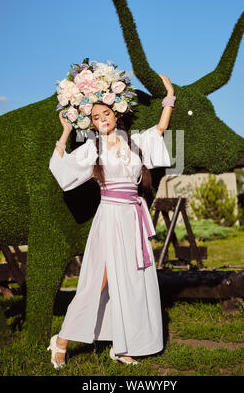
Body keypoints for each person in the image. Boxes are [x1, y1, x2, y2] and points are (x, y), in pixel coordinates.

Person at [47, 73, 176, 368]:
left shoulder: (136, 142)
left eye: (105, 113)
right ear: (91, 123)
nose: (101, 119)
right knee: (99, 283)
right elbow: (64, 171)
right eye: (95, 117)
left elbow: (162, 127)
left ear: (115, 114)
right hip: (109, 219)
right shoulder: (94, 148)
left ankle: (122, 346)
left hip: (132, 220)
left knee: (131, 283)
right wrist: (66, 132)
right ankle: (62, 340)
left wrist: (169, 95)